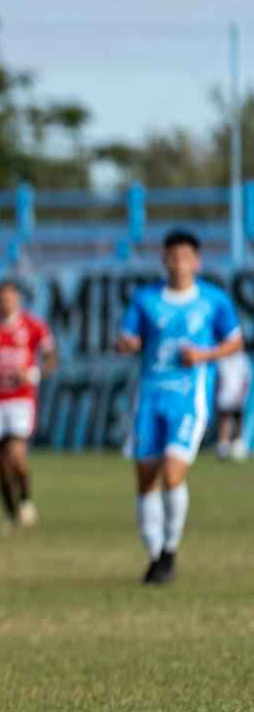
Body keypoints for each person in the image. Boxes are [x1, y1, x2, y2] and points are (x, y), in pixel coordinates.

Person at [117, 229, 244, 585]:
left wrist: (204, 355)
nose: (179, 263)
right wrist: (127, 344)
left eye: (186, 257)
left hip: (189, 397)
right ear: (164, 259)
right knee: (146, 478)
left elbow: (234, 342)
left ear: (197, 262)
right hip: (149, 396)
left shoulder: (213, 300)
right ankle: (155, 553)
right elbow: (126, 338)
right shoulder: (145, 298)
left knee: (173, 473)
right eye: (173, 257)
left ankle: (170, 550)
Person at [0, 281, 57, 531]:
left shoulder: (32, 326)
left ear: (17, 299)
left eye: (10, 297)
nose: (6, 302)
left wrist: (34, 374)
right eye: (2, 298)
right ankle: (10, 514)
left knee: (17, 455)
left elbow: (51, 356)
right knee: (0, 462)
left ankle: (26, 500)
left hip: (21, 399)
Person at [214, 337, 250, 461]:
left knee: (238, 420)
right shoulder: (222, 358)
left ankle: (237, 445)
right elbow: (218, 378)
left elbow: (246, 380)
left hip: (238, 396)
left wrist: (242, 395)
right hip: (224, 395)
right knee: (225, 419)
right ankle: (223, 446)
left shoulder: (242, 359)